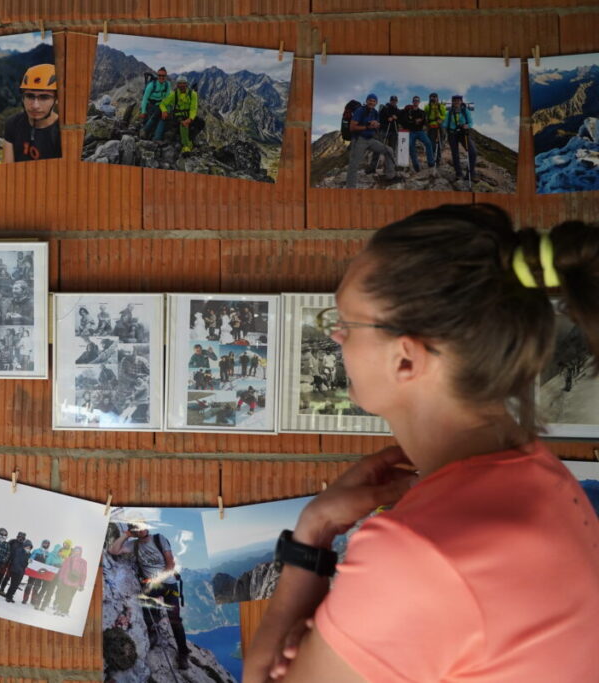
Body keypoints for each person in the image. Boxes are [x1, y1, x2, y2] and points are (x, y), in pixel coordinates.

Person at [244, 204, 599, 682]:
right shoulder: (540, 474)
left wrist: (313, 534)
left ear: (405, 359)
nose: (336, 336)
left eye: (347, 323)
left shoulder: (419, 551)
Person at [109, 522, 190, 670]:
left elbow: (170, 565)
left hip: (168, 583)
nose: (140, 530)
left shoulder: (159, 539)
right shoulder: (134, 545)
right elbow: (113, 551)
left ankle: (183, 653)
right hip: (151, 585)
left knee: (175, 621)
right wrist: (126, 535)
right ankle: (153, 634)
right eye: (136, 529)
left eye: (142, 527)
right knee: (147, 612)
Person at [3, 64, 61, 163]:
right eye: (29, 96)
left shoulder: (63, 134)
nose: (35, 105)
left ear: (56, 99)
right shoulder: (13, 124)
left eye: (44, 97)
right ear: (23, 98)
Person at [346, 94, 399, 188]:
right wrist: (367, 126)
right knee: (354, 165)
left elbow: (377, 124)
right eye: (370, 100)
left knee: (389, 150)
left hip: (370, 139)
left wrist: (376, 124)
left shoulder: (375, 112)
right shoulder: (360, 111)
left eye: (374, 101)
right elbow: (352, 127)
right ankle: (351, 188)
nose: (372, 102)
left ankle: (390, 176)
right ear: (366, 101)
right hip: (359, 140)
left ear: (376, 102)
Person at [158, 75, 199, 153]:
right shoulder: (174, 94)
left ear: (187, 84)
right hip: (177, 116)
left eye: (183, 83)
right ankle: (186, 146)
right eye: (180, 83)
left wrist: (190, 119)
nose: (182, 85)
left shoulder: (193, 94)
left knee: (201, 123)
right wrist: (164, 111)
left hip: (189, 116)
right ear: (177, 85)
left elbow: (193, 109)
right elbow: (162, 104)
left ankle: (190, 138)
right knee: (183, 124)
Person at [444, 94, 477, 183]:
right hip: (452, 134)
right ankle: (459, 173)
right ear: (452, 102)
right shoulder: (449, 112)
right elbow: (445, 123)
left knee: (473, 152)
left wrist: (467, 125)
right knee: (455, 154)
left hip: (463, 133)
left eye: (458, 100)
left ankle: (470, 173)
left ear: (461, 101)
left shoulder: (465, 111)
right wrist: (440, 123)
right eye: (454, 101)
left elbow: (470, 122)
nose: (456, 102)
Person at [368, 95, 402, 174]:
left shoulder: (398, 111)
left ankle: (389, 168)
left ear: (397, 102)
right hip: (384, 130)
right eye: (392, 100)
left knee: (392, 150)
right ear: (390, 101)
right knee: (378, 148)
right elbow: (379, 119)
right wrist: (387, 119)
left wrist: (396, 118)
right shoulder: (385, 109)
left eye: (395, 101)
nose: (393, 102)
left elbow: (401, 120)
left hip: (393, 131)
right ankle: (373, 167)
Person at [402, 95, 435, 173]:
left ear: (419, 102)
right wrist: (414, 121)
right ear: (412, 101)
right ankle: (416, 166)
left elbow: (423, 121)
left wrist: (423, 122)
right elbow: (406, 122)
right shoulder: (408, 111)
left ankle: (431, 163)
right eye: (415, 100)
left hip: (420, 131)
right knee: (411, 147)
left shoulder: (422, 112)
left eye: (417, 100)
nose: (416, 102)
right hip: (411, 132)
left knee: (428, 143)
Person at [53, 546, 87, 617]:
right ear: (73, 551)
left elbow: (83, 574)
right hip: (65, 581)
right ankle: (60, 609)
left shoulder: (83, 562)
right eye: (76, 550)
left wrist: (82, 584)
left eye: (78, 550)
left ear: (81, 552)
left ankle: (65, 611)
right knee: (63, 595)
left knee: (70, 597)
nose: (77, 551)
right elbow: (62, 570)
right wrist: (60, 579)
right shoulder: (68, 559)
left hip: (75, 583)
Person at [139, 67, 171, 140]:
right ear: (157, 76)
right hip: (150, 106)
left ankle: (151, 134)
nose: (161, 77)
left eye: (163, 76)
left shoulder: (167, 85)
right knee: (160, 114)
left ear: (166, 76)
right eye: (159, 75)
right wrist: (143, 111)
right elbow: (144, 99)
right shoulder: (151, 85)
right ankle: (154, 136)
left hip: (161, 106)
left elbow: (167, 99)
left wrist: (166, 111)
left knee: (163, 117)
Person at [23, 539, 51, 604]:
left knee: (37, 586)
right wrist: (30, 561)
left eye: (47, 544)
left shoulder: (48, 554)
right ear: (42, 544)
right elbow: (31, 557)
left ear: (48, 545)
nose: (45, 545)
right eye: (44, 543)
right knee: (29, 585)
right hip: (33, 571)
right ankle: (25, 599)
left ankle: (33, 600)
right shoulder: (37, 550)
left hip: (41, 573)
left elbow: (48, 563)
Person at [425, 92, 447, 167]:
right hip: (431, 127)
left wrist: (440, 118)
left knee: (439, 144)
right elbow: (426, 116)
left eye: (434, 97)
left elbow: (444, 116)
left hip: (439, 126)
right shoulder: (427, 107)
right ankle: (431, 160)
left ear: (437, 98)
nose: (433, 98)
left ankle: (437, 160)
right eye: (432, 97)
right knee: (431, 144)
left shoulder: (441, 106)